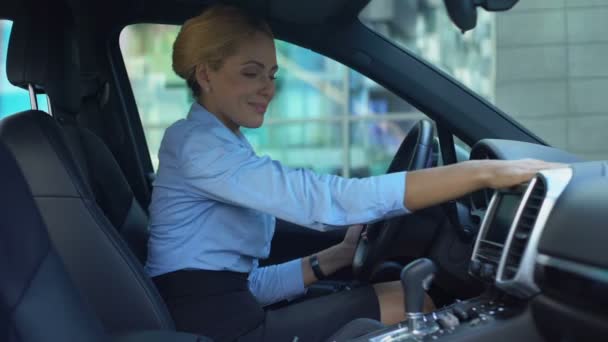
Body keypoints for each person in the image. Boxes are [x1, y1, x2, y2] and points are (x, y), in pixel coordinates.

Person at [144, 4, 564, 342]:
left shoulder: (221, 142)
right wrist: (479, 173)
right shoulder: (196, 145)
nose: (268, 88)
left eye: (271, 75)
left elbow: (244, 284)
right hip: (218, 330)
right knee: (413, 303)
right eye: (250, 73)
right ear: (205, 73)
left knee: (391, 289)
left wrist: (335, 258)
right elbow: (322, 201)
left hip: (229, 313)